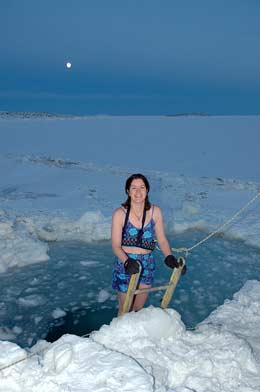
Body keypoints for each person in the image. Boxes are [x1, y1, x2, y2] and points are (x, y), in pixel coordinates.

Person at [111, 173, 185, 315]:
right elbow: (115, 245)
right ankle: (120, 336)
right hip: (126, 263)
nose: (138, 192)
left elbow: (162, 239)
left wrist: (168, 256)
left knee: (137, 310)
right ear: (127, 191)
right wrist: (127, 262)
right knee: (125, 309)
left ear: (147, 190)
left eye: (142, 187)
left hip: (147, 263)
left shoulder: (155, 212)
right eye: (133, 188)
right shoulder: (119, 214)